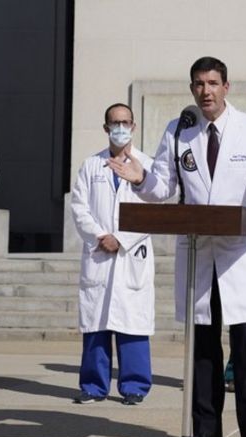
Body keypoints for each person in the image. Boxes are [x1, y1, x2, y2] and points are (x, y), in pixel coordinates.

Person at [109, 56, 246, 437]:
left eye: (213, 83)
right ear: (192, 89)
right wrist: (140, 178)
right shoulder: (179, 130)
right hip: (199, 254)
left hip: (238, 256)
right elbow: (164, 186)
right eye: (198, 84)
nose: (206, 91)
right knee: (203, 350)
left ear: (226, 87)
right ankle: (207, 433)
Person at [70, 103, 156, 405]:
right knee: (97, 324)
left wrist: (121, 239)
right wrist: (99, 236)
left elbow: (153, 210)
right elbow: (79, 206)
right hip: (99, 254)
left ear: (133, 126)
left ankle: (134, 387)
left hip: (131, 255)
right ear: (106, 127)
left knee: (132, 324)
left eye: (125, 122)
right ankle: (93, 387)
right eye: (114, 123)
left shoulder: (147, 166)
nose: (120, 127)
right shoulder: (91, 165)